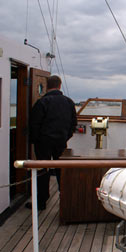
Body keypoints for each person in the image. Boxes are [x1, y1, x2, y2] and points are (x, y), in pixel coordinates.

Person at [27, 75, 77, 210]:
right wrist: (65, 137)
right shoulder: (69, 102)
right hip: (61, 141)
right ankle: (64, 200)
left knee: (43, 170)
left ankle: (41, 202)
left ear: (47, 86)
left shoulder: (42, 103)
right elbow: (73, 124)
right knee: (61, 170)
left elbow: (34, 124)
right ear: (59, 86)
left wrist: (36, 141)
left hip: (43, 142)